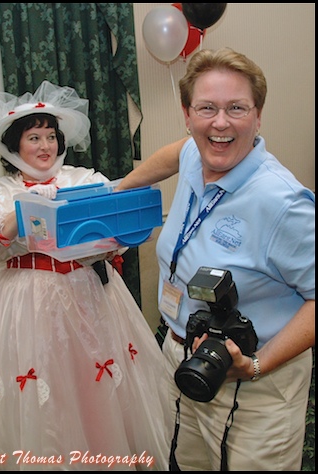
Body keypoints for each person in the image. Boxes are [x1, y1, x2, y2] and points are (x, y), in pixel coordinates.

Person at [0, 81, 171, 471]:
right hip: (26, 299)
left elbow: (115, 234)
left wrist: (113, 240)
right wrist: (22, 210)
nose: (45, 145)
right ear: (14, 146)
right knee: (44, 385)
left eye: (51, 136)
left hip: (89, 294)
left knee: (93, 384)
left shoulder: (84, 179)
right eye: (34, 137)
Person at [116, 48, 315, 471]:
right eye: (206, 108)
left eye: (236, 108)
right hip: (188, 360)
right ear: (187, 115)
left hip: (255, 384)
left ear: (258, 116)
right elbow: (173, 154)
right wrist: (120, 192)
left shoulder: (283, 204)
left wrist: (256, 365)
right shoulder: (196, 152)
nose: (220, 123)